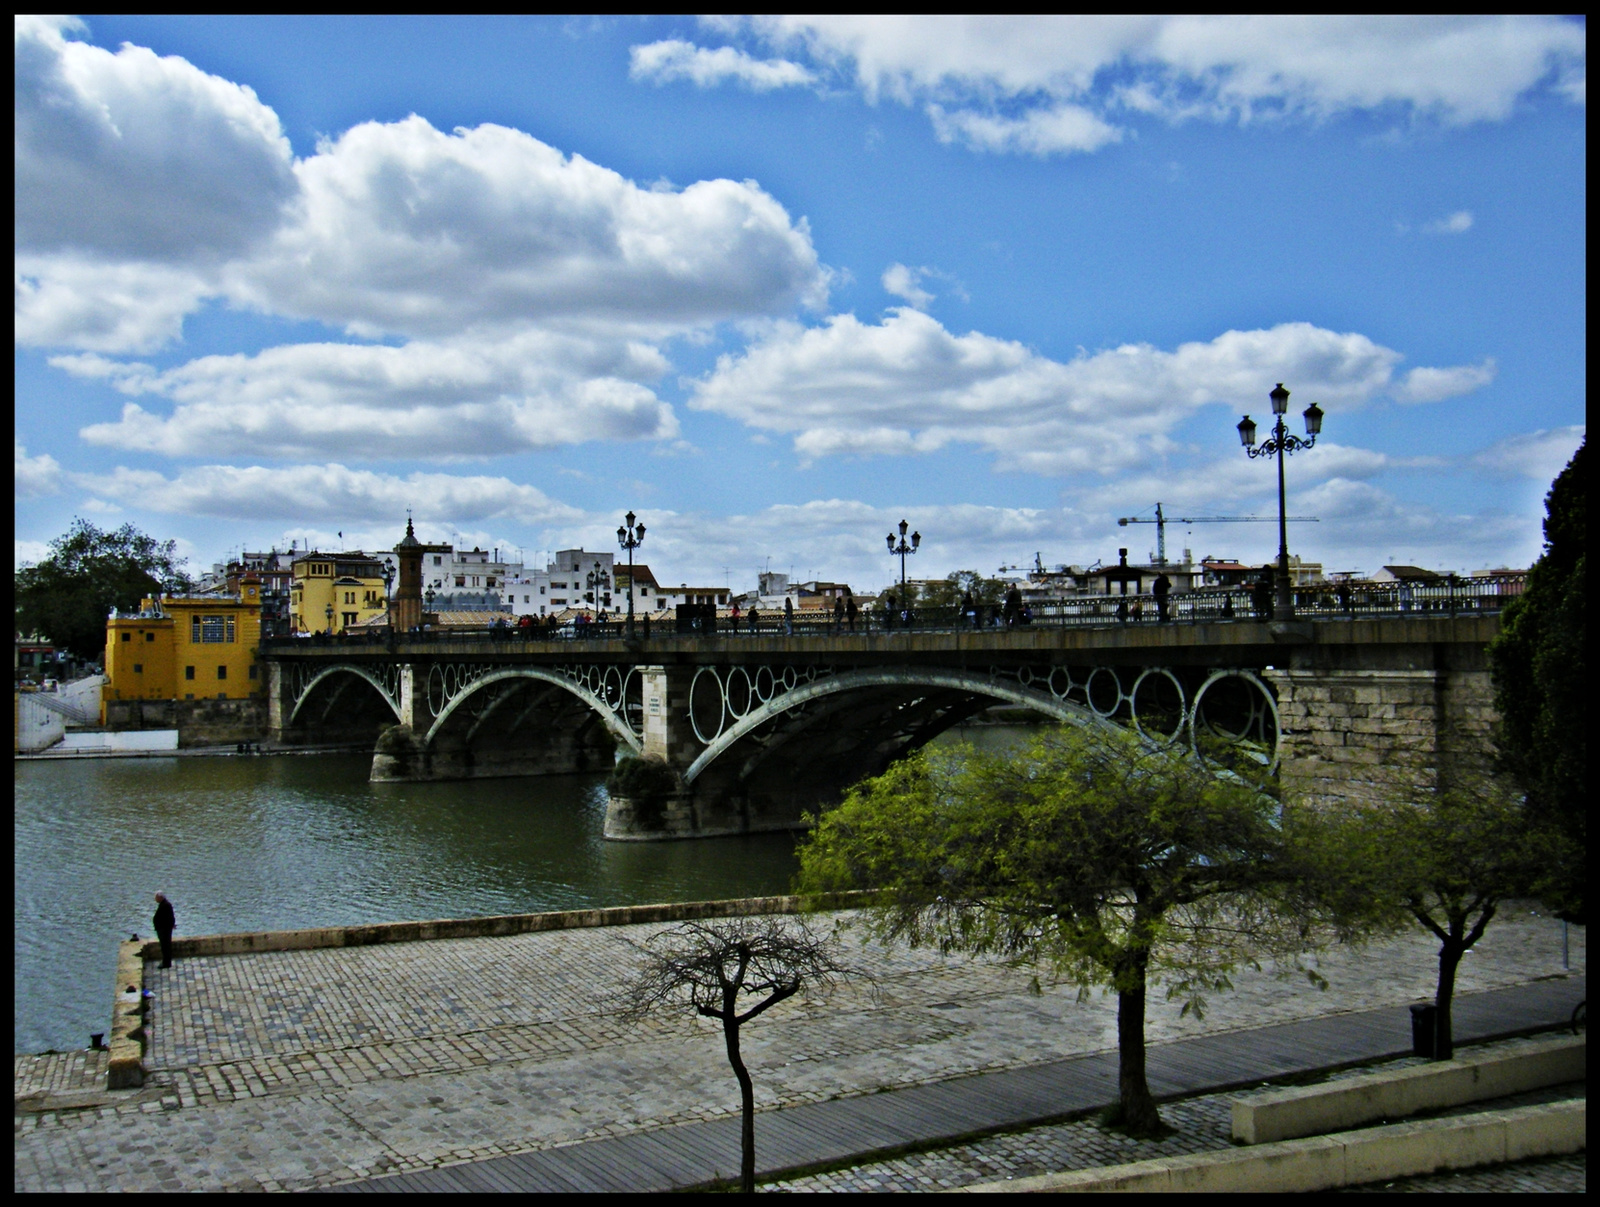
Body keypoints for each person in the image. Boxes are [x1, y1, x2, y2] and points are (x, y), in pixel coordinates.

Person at [153, 892, 176, 969]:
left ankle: (166, 963)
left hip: (164, 930)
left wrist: (170, 925)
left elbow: (170, 917)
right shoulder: (164, 904)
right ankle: (166, 962)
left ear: (160, 897)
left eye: (156, 897)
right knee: (165, 946)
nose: (155, 899)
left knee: (165, 946)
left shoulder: (166, 905)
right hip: (163, 929)